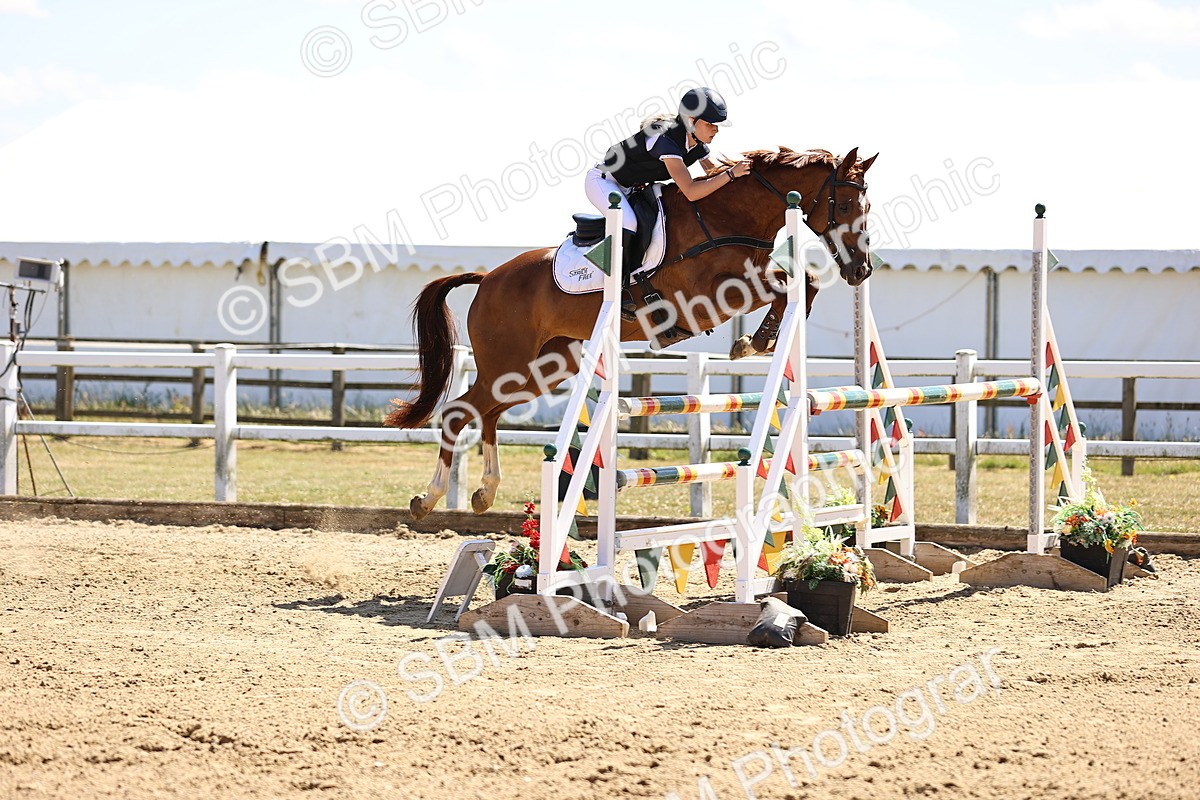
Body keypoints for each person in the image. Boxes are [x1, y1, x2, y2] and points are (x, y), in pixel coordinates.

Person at [585, 87, 752, 318]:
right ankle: (620, 290)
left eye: (717, 125)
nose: (715, 130)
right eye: (710, 124)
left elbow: (714, 176)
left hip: (633, 186)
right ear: (691, 121)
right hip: (604, 183)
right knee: (629, 222)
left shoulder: (697, 145)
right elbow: (692, 191)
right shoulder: (664, 140)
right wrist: (731, 175)